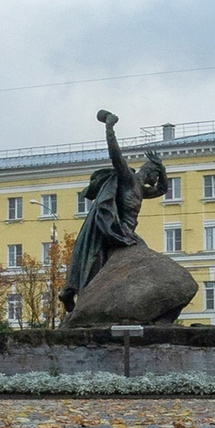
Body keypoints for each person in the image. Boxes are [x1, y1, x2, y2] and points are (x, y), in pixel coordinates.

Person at [60, 111, 169, 313]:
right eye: (156, 175)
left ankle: (71, 291)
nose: (156, 179)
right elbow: (115, 154)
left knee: (101, 264)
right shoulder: (129, 179)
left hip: (124, 233)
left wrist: (162, 169)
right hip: (114, 230)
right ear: (150, 172)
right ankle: (74, 293)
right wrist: (109, 128)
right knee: (94, 261)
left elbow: (163, 189)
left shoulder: (142, 190)